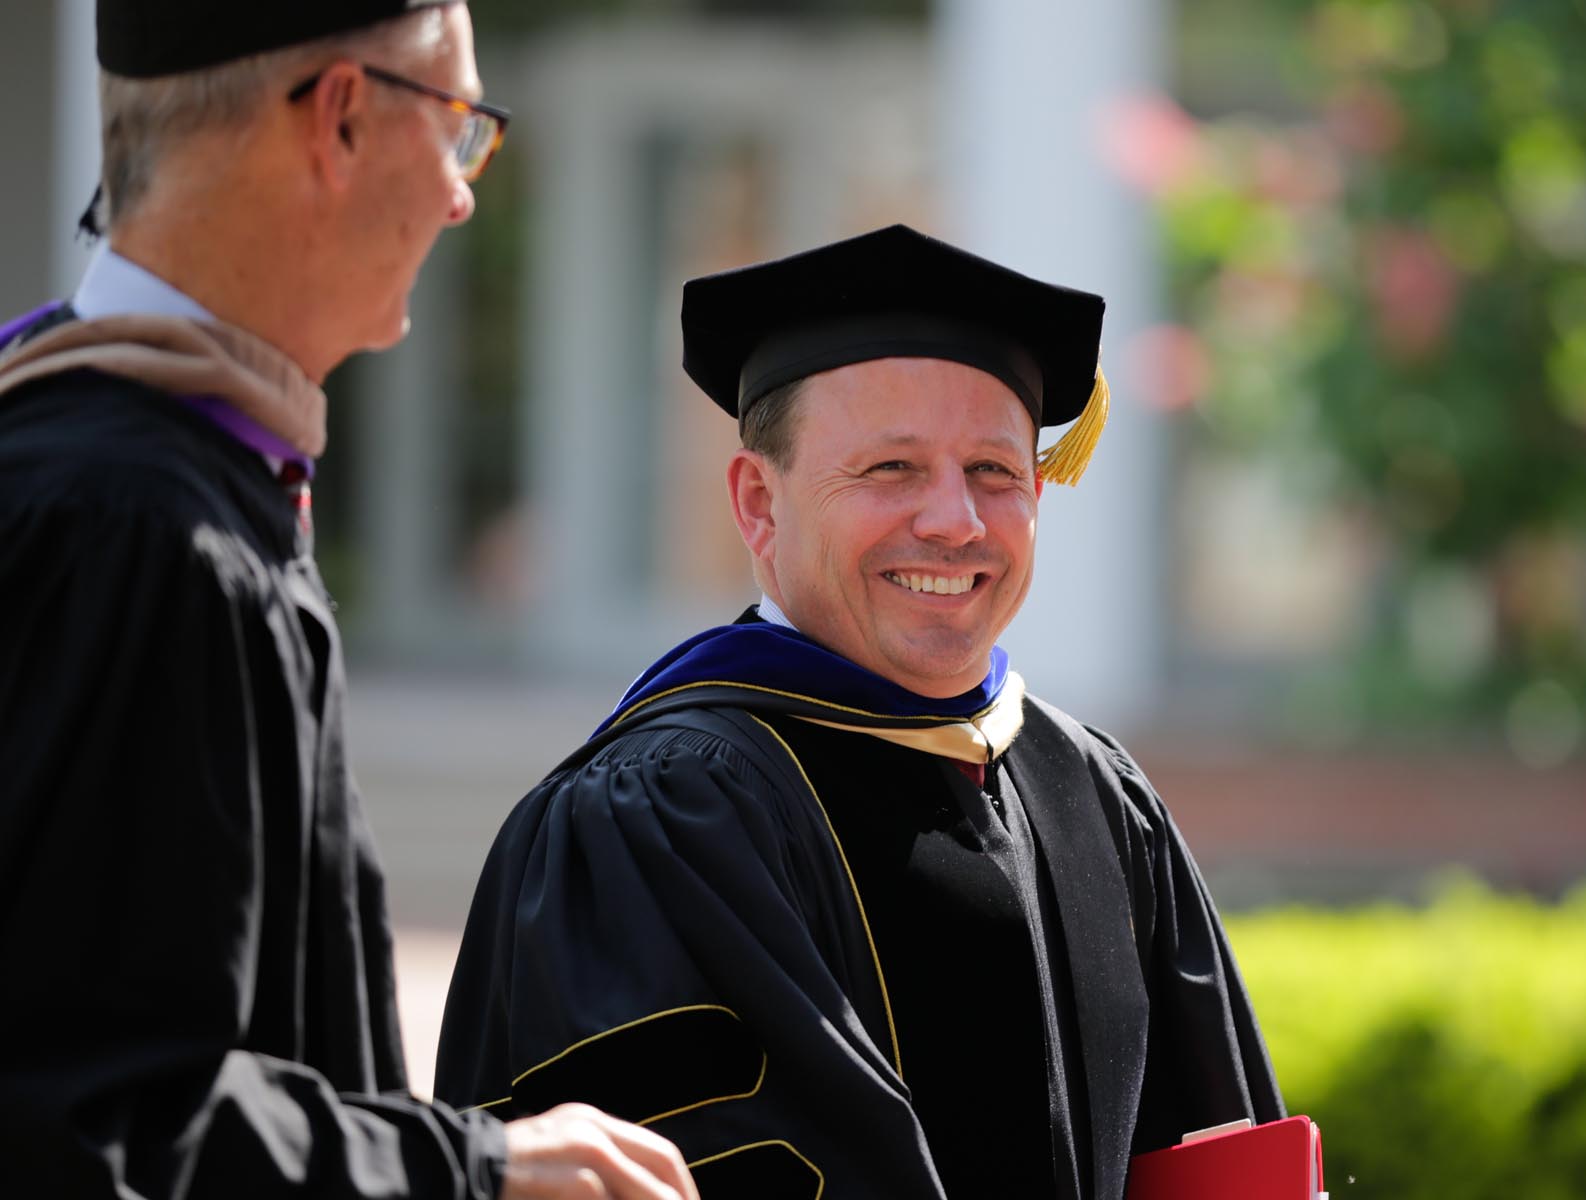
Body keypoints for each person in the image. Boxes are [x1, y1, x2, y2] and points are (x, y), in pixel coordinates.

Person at [0, 3, 695, 1198]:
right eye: (459, 126)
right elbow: (92, 1123)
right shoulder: (141, 527)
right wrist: (482, 1170)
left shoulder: (99, 465)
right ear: (341, 117)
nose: (465, 193)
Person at [434, 225, 1284, 1199]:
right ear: (759, 503)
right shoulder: (658, 817)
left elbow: (1215, 1151)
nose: (956, 521)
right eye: (892, 470)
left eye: (996, 473)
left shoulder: (1092, 790)